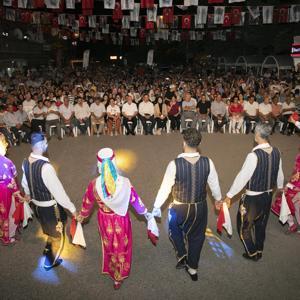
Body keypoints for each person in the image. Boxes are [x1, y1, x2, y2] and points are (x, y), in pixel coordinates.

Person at [77, 148, 154, 289]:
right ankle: (120, 274)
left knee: (109, 244)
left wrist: (81, 216)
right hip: (121, 220)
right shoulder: (125, 182)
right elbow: (135, 200)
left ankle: (113, 270)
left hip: (104, 220)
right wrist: (146, 213)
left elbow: (87, 203)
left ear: (98, 165)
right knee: (122, 245)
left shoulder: (93, 185)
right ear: (114, 162)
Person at [151, 128, 222, 281]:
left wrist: (156, 206)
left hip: (179, 207)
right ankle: (193, 268)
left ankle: (182, 254)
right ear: (199, 143)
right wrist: (218, 199)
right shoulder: (208, 162)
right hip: (200, 206)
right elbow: (214, 184)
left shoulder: (174, 164)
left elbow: (165, 187)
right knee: (197, 237)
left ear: (183, 142)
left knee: (174, 229)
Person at [222, 123, 284, 261]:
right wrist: (280, 187)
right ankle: (260, 249)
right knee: (261, 224)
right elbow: (279, 173)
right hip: (268, 195)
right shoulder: (277, 152)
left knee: (243, 226)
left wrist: (229, 195)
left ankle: (252, 252)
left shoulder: (253, 155)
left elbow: (242, 177)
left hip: (252, 199)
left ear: (257, 135)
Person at [21, 133, 77, 270]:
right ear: (41, 145)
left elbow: (25, 183)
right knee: (58, 233)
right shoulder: (46, 168)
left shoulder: (25, 162)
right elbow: (59, 193)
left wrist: (28, 194)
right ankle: (49, 262)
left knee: (47, 226)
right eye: (46, 142)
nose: (47, 144)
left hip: (37, 206)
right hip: (51, 209)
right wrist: (73, 209)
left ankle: (49, 244)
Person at [0, 133, 24, 245]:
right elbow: (13, 181)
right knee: (7, 213)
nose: (6, 145)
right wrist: (19, 194)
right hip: (4, 191)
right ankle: (6, 238)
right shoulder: (6, 162)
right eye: (4, 143)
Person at [271, 153, 300, 233]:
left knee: (289, 204)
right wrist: (288, 184)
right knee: (285, 203)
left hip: (297, 189)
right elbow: (295, 173)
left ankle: (292, 225)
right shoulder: (298, 156)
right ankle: (292, 225)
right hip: (294, 185)